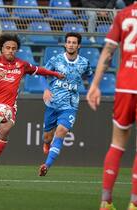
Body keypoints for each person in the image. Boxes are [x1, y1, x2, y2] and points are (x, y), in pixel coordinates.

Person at [0, 33, 65, 178]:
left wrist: (55, 74)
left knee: (5, 129)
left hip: (8, 107)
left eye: (13, 48)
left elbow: (38, 70)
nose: (10, 50)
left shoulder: (21, 64)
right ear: (1, 48)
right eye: (7, 48)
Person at [86, 2, 137, 210]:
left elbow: (108, 50)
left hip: (125, 87)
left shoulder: (123, 14)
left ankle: (106, 201)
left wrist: (95, 85)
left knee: (117, 144)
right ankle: (134, 203)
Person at [38, 32, 92, 177]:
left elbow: (91, 75)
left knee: (61, 132)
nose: (71, 45)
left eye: (74, 42)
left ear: (79, 45)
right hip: (53, 103)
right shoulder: (56, 60)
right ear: (65, 44)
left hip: (70, 106)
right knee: (47, 137)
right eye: (69, 42)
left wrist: (92, 89)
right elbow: (42, 74)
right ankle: (47, 144)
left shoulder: (84, 63)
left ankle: (46, 165)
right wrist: (46, 90)